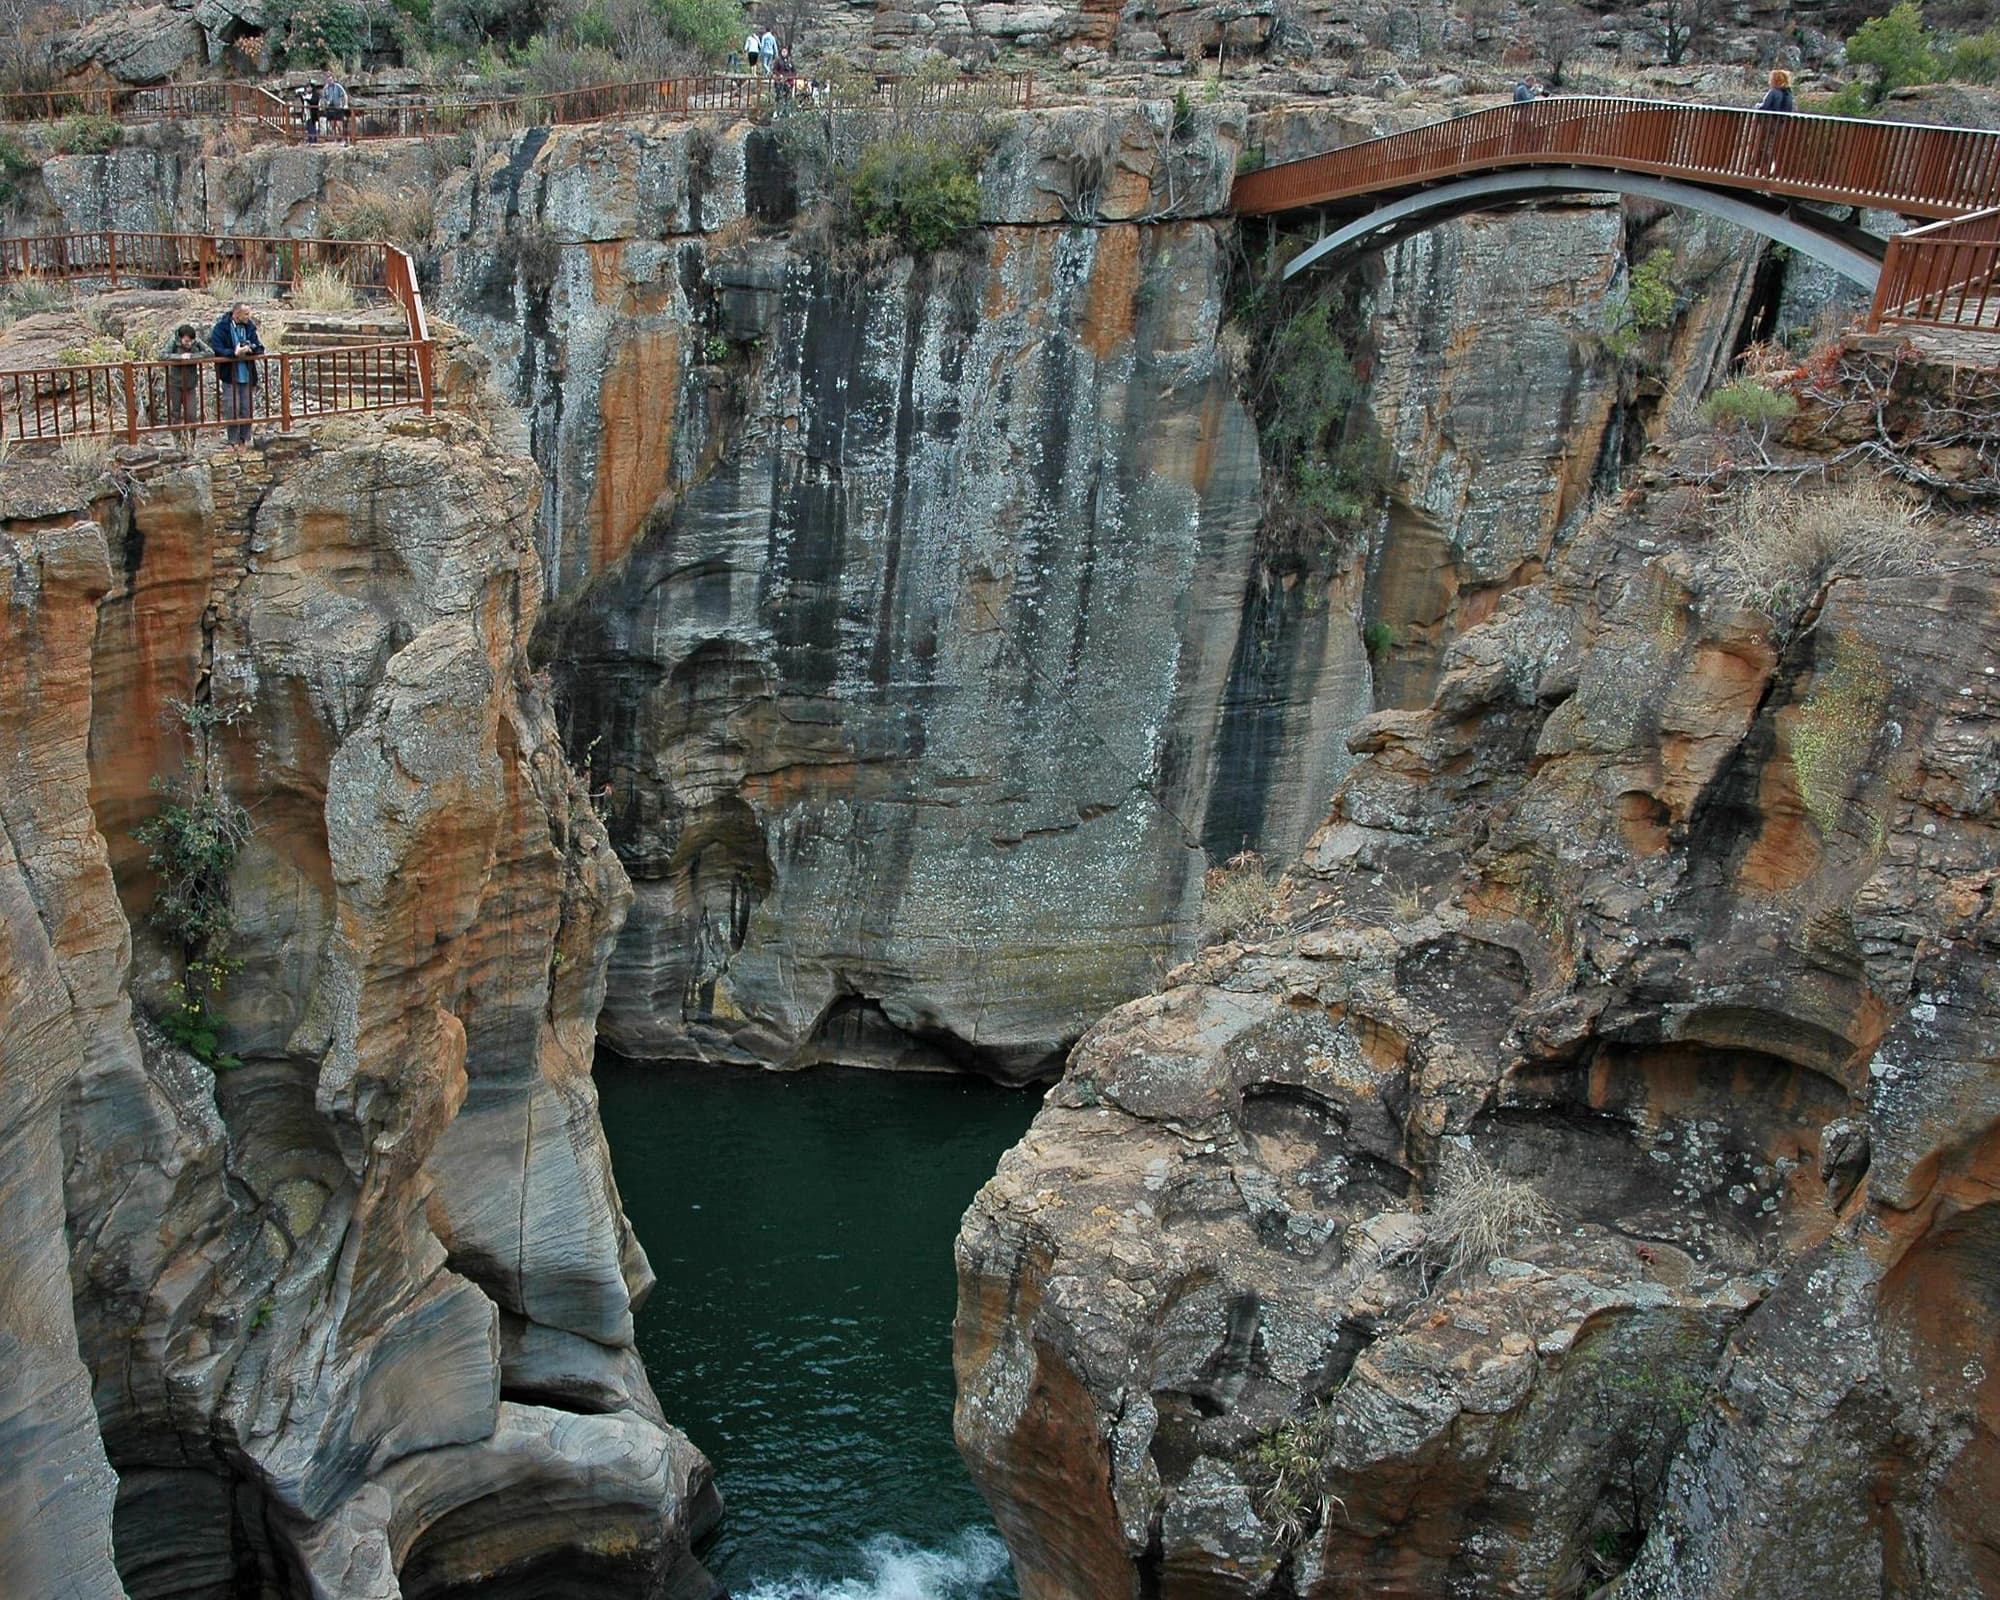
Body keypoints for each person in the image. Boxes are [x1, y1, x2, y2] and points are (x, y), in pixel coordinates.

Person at [209, 302, 263, 446]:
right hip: (229, 375)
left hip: (246, 373)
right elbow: (217, 347)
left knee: (246, 408)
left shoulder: (249, 327)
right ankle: (233, 440)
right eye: (246, 314)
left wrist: (251, 348)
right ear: (236, 314)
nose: (249, 316)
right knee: (232, 408)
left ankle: (244, 440)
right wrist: (234, 353)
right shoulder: (221, 328)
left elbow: (259, 346)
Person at [160, 322, 205, 445]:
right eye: (186, 341)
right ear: (180, 339)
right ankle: (178, 442)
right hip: (175, 383)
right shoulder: (173, 342)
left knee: (191, 415)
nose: (189, 343)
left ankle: (191, 442)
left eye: (190, 341)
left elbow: (209, 352)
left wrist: (192, 356)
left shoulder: (196, 342)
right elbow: (162, 355)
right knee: (175, 414)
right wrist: (179, 357)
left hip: (190, 384)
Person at [320, 70, 351, 143]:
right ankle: (335, 139)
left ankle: (343, 138)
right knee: (332, 124)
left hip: (338, 107)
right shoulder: (325, 88)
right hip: (330, 108)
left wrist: (345, 104)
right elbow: (323, 98)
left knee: (339, 124)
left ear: (333, 79)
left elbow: (345, 95)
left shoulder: (338, 86)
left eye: (331, 79)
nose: (329, 80)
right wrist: (325, 103)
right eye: (328, 79)